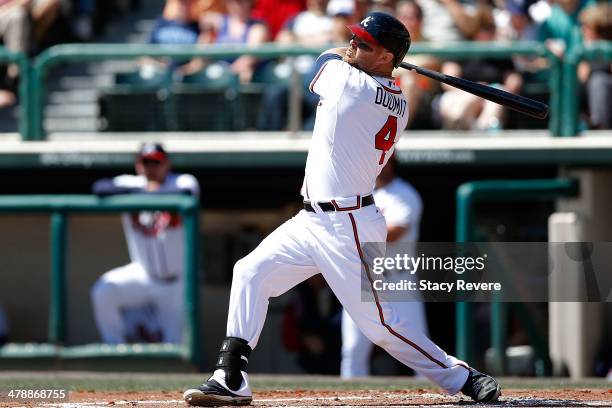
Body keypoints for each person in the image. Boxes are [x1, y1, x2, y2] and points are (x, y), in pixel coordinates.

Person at [183, 12, 501, 406]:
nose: (353, 45)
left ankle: (463, 378)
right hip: (313, 219)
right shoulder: (396, 100)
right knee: (250, 272)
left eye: (365, 44)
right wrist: (371, 53)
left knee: (380, 324)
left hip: (347, 223)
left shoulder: (350, 85)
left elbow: (324, 58)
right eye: (354, 39)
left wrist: (347, 54)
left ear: (387, 57)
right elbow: (341, 56)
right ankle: (231, 375)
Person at [90, 142, 200, 344]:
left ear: (167, 164)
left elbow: (185, 195)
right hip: (143, 275)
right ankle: (115, 350)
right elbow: (100, 188)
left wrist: (137, 194)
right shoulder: (131, 183)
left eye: (156, 162)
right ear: (138, 165)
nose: (151, 168)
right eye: (146, 162)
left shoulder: (182, 182)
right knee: (103, 292)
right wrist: (138, 191)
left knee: (176, 348)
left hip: (175, 283)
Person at [340, 154, 427, 378]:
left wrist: (356, 234)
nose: (378, 164)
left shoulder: (403, 194)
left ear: (392, 163)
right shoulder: (359, 195)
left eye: (384, 159)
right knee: (353, 350)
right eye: (375, 159)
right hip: (365, 280)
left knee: (417, 346)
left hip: (398, 280)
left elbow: (395, 232)